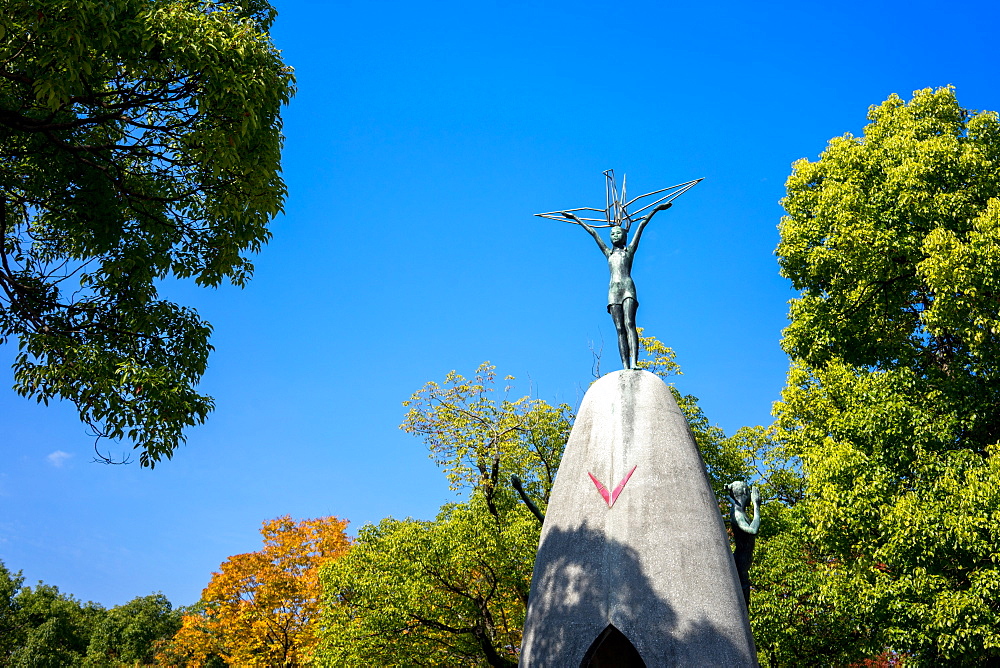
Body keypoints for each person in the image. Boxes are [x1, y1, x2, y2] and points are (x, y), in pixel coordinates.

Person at [561, 202, 672, 370]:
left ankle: (634, 362)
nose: (614, 235)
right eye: (612, 233)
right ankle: (626, 366)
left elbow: (642, 225)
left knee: (629, 324)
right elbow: (593, 232)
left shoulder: (629, 251)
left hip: (628, 288)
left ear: (624, 236)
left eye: (618, 232)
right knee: (619, 329)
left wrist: (656, 209)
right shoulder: (608, 253)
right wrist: (576, 218)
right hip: (613, 292)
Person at [727, 480, 761, 610]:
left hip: (743, 559)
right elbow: (753, 530)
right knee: (743, 599)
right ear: (746, 493)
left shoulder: (738, 510)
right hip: (742, 560)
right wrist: (756, 506)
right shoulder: (738, 514)